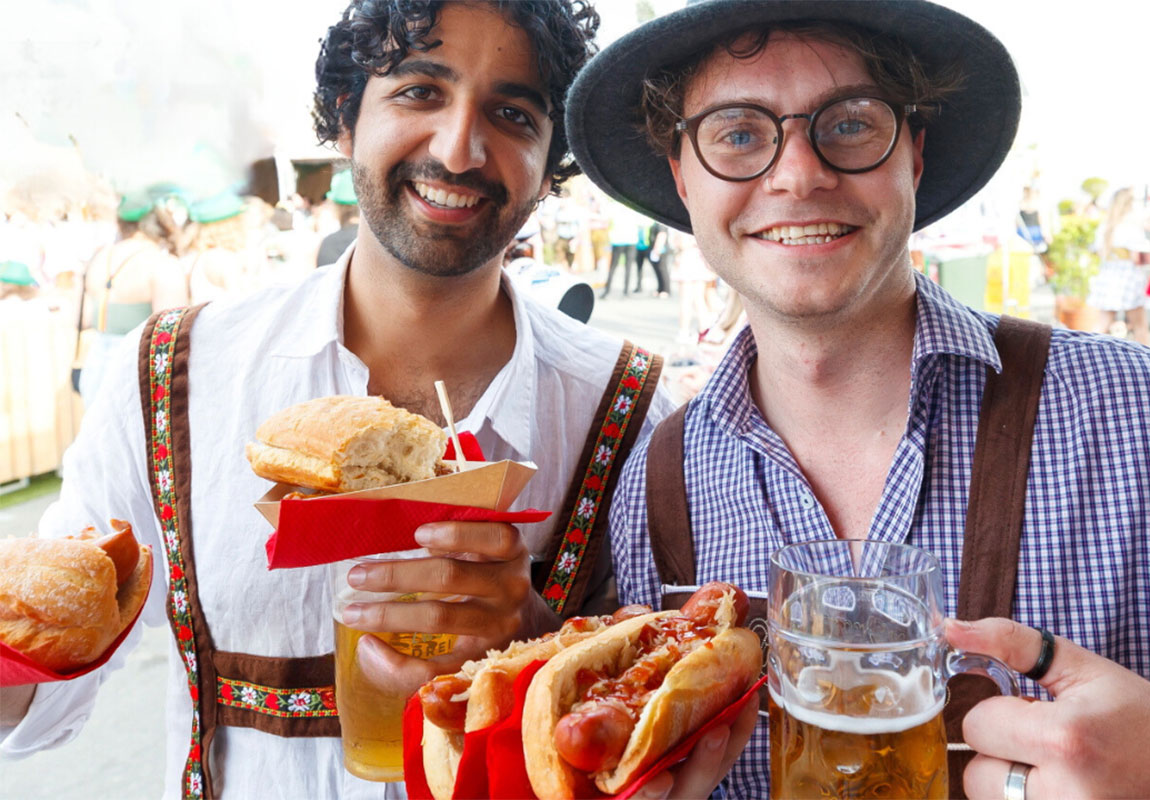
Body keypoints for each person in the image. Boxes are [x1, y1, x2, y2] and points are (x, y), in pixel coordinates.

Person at [0, 3, 677, 798]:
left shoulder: (632, 412)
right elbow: (41, 691)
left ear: (548, 161)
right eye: (421, 92)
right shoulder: (168, 378)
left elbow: (656, 730)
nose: (459, 148)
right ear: (346, 119)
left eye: (511, 113)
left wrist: (536, 646)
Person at [566, 1, 1150, 798]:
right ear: (681, 178)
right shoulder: (655, 491)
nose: (798, 174)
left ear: (915, 155)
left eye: (851, 124)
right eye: (737, 133)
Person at [77, 193, 188, 405]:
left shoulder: (100, 257)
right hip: (136, 371)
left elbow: (84, 318)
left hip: (95, 366)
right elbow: (171, 334)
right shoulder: (161, 264)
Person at [1086, 187, 1150, 345]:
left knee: (1102, 323)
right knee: (1139, 326)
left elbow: (1097, 253)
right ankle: (1147, 364)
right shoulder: (1131, 227)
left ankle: (1087, 350)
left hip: (1108, 276)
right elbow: (1137, 257)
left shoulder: (1105, 227)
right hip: (1128, 278)